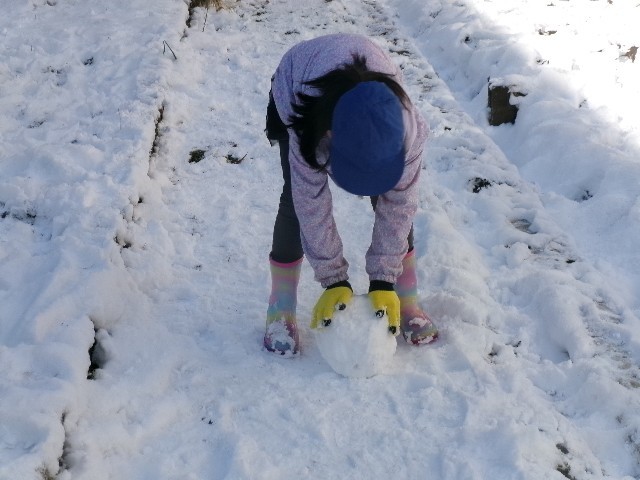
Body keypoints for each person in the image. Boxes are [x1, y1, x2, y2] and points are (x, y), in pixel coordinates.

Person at [263, 33, 438, 356]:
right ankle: (281, 306)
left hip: (361, 97)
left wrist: (383, 280)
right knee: (294, 201)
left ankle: (406, 297)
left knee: (394, 199)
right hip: (299, 83)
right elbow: (310, 204)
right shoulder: (307, 126)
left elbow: (400, 206)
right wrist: (334, 280)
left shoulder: (409, 132)